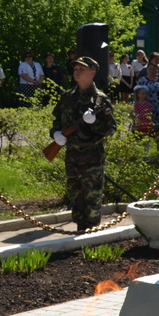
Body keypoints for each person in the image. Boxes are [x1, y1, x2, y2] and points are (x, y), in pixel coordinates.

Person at [50, 57, 116, 231]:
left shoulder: (100, 100)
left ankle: (92, 235)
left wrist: (94, 122)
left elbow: (110, 129)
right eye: (75, 69)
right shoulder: (67, 96)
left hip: (91, 157)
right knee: (75, 196)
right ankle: (80, 231)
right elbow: (57, 121)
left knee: (92, 197)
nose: (76, 72)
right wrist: (55, 133)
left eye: (82, 69)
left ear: (93, 72)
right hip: (72, 156)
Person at [134, 65, 159, 131]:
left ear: (157, 70)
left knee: (157, 125)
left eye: (154, 69)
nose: (152, 70)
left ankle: (157, 137)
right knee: (144, 125)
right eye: (150, 69)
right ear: (147, 70)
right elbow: (136, 92)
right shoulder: (142, 80)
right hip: (144, 106)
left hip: (158, 107)